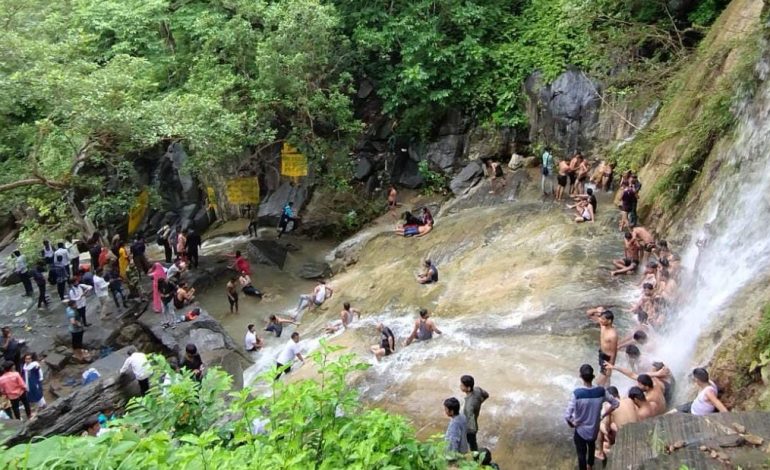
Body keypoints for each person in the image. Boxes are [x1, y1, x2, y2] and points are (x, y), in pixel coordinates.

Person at [564, 364, 619, 470]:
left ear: (580, 376)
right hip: (594, 429)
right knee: (592, 444)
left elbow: (567, 416)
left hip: (581, 430)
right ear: (593, 376)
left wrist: (572, 424)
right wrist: (603, 415)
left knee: (581, 454)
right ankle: (590, 465)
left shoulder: (577, 394)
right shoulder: (601, 391)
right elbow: (615, 403)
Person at [596, 386, 637, 461]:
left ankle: (601, 452)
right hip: (635, 430)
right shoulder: (629, 400)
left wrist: (606, 416)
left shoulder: (609, 405)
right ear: (618, 395)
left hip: (624, 435)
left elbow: (607, 429)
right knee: (613, 424)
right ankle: (607, 445)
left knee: (599, 424)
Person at [588, 310, 617, 386]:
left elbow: (614, 352)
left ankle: (599, 392)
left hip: (607, 359)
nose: (600, 320)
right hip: (602, 354)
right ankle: (609, 392)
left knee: (599, 382)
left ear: (609, 321)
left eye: (603, 319)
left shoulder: (612, 335)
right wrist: (596, 310)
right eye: (601, 318)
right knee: (606, 380)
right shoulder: (602, 325)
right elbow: (589, 314)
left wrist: (610, 366)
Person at [461, 375, 489, 452]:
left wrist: (468, 431)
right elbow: (486, 395)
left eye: (462, 385)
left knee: (472, 446)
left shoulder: (469, 406)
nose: (460, 386)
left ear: (468, 388)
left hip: (470, 429)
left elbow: (471, 421)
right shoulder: (477, 389)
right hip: (474, 421)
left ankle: (476, 459)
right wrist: (479, 403)